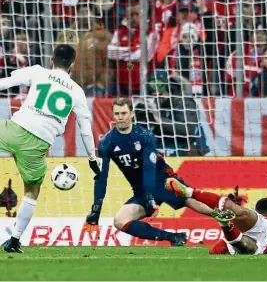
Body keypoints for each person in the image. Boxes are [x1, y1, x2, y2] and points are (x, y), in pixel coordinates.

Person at [0, 44, 98, 253]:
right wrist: (92, 159)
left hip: (15, 129)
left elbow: (6, 82)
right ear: (72, 65)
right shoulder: (77, 92)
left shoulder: (37, 71)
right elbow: (85, 129)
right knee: (32, 192)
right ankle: (14, 241)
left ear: (51, 60)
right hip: (37, 145)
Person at [83, 98, 222, 246]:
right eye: (117, 114)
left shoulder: (144, 135)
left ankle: (225, 216)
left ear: (132, 114)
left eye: (124, 113)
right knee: (119, 221)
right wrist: (96, 210)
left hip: (163, 180)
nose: (120, 117)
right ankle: (174, 237)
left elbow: (149, 168)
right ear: (113, 115)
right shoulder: (106, 143)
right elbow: (101, 178)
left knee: (190, 200)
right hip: (141, 190)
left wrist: (150, 197)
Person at [165, 178, 267, 255]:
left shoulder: (258, 217)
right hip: (266, 234)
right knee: (250, 249)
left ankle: (191, 192)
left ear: (258, 211)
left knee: (236, 210)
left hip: (252, 225)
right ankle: (226, 226)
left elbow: (213, 251)